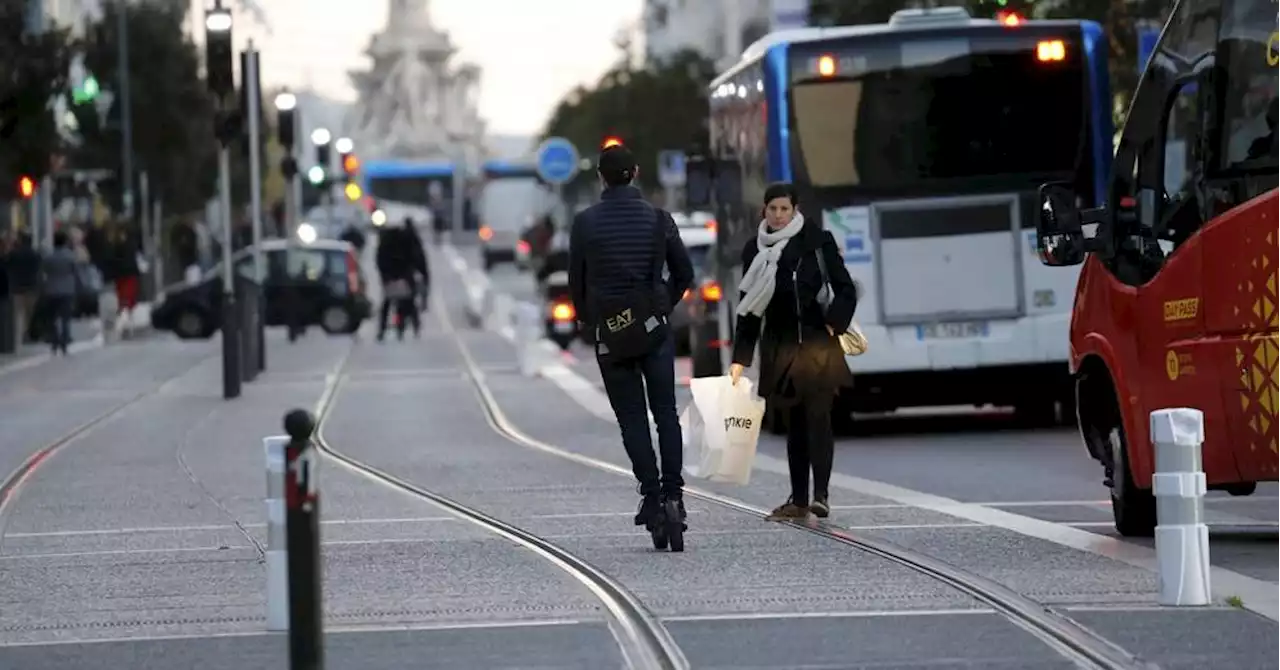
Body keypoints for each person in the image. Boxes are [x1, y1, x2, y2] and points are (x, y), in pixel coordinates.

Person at [569, 143, 695, 529]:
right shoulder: (660, 219)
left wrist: (591, 323)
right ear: (636, 172)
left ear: (601, 177)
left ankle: (652, 495)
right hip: (655, 330)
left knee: (632, 419)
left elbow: (578, 282)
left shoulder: (585, 223)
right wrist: (661, 306)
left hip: (612, 333)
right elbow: (685, 274)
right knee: (666, 414)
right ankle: (675, 493)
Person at [728, 183, 858, 520]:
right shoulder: (754, 251)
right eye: (773, 209)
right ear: (764, 211)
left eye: (785, 209)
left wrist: (833, 324)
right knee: (794, 424)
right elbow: (749, 308)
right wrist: (740, 359)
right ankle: (799, 499)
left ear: (795, 210)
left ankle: (821, 496)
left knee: (819, 418)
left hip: (817, 346)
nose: (779, 215)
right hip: (779, 348)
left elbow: (845, 289)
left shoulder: (817, 242)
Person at [374, 223, 420, 340]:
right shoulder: (407, 239)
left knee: (387, 304)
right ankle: (412, 326)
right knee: (408, 302)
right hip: (404, 275)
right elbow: (415, 257)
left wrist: (384, 276)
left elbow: (380, 260)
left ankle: (382, 330)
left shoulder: (385, 241)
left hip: (390, 277)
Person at [41, 231, 80, 356]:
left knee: (52, 318)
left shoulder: (49, 257)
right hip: (67, 290)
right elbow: (75, 272)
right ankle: (65, 341)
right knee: (65, 318)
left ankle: (54, 340)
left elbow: (44, 271)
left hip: (51, 290)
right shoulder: (70, 256)